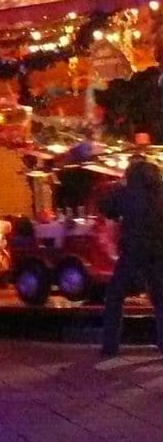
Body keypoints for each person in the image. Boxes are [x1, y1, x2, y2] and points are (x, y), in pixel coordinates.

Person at [94, 154, 163, 369]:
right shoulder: (160, 191)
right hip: (158, 252)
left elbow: (105, 206)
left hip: (132, 252)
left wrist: (120, 187)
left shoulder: (126, 192)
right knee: (160, 299)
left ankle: (110, 344)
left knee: (115, 296)